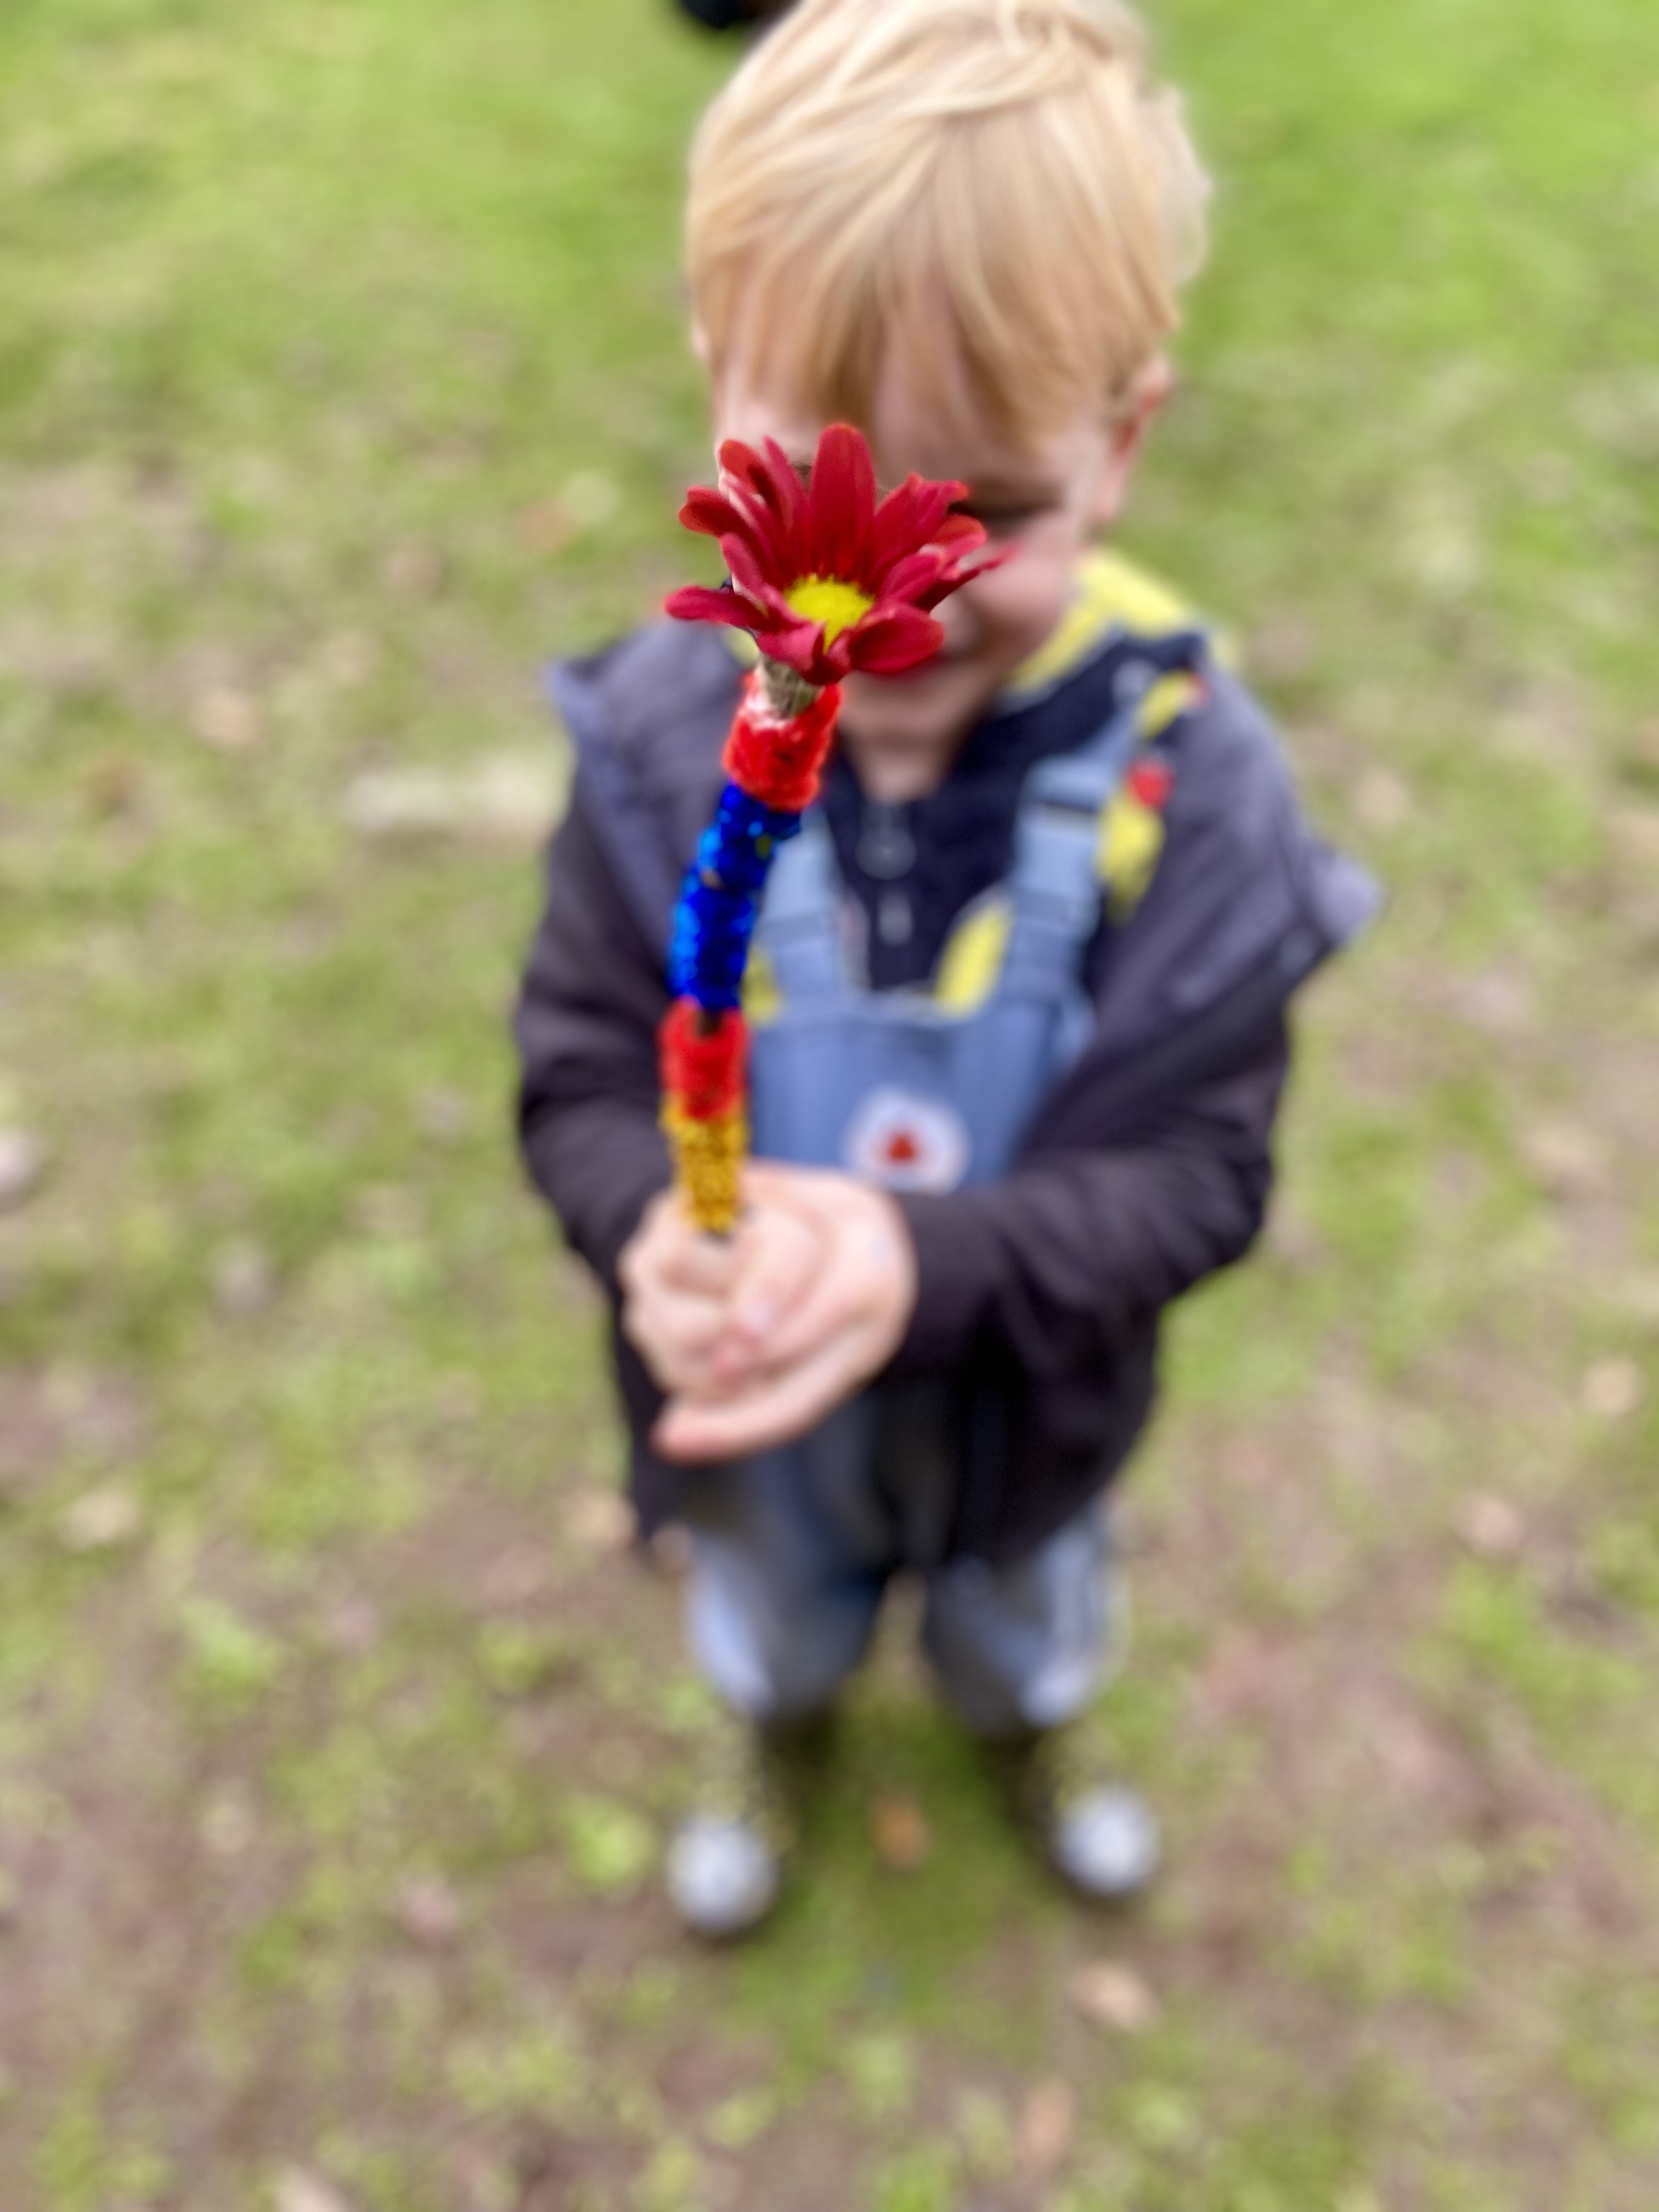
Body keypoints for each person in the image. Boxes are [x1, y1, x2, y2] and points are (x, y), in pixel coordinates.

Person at [515, 0, 1377, 1938]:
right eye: (815, 478)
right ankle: (783, 1721)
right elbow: (578, 1067)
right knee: (775, 1609)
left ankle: (1024, 1722)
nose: (880, 594)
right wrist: (648, 1218)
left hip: (1034, 1413)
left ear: (1123, 440)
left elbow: (1200, 1178)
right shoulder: (664, 756)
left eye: (979, 514)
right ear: (711, 386)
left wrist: (923, 1268)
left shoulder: (1188, 784)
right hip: (756, 1415)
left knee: (1024, 1610)